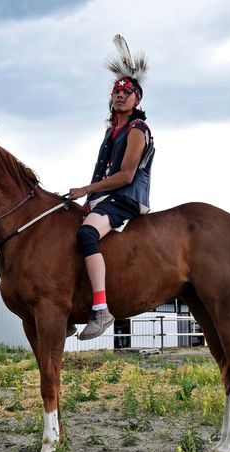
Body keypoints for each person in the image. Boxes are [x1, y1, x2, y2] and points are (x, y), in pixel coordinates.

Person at [69, 35, 155, 340]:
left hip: (125, 198)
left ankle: (101, 309)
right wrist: (89, 200)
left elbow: (126, 175)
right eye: (117, 91)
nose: (120, 95)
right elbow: (101, 170)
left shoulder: (137, 130)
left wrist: (84, 189)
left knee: (87, 234)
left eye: (127, 92)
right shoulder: (110, 131)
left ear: (137, 99)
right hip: (104, 197)